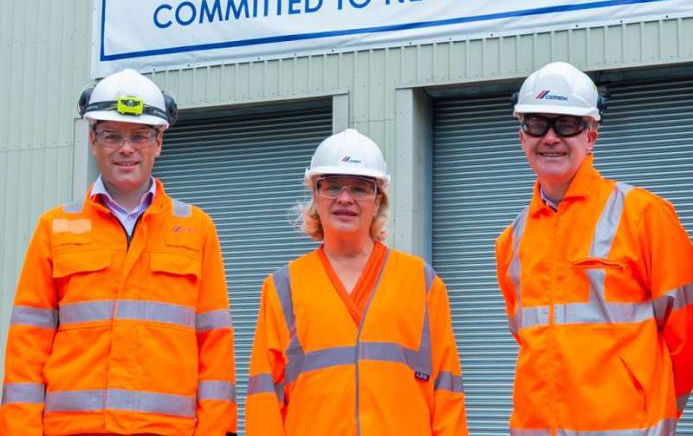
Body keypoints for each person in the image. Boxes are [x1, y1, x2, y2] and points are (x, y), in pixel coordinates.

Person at [0, 69, 237, 435]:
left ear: (159, 143)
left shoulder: (196, 229)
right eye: (112, 136)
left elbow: (215, 347)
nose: (126, 148)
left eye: (140, 136)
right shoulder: (55, 227)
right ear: (93, 142)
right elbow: (27, 348)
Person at [495, 61, 693, 435]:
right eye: (537, 124)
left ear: (591, 135)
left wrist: (659, 408)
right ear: (522, 136)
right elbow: (531, 343)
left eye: (566, 124)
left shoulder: (644, 215)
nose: (550, 137)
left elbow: (687, 334)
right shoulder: (512, 240)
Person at [244, 129, 468, 435]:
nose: (344, 198)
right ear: (315, 196)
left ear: (377, 201)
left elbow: (447, 390)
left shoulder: (422, 282)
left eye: (360, 188)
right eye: (332, 186)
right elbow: (264, 398)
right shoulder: (283, 287)